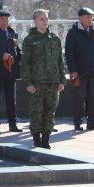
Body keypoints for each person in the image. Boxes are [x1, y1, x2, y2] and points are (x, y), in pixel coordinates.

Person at [21, 9, 66, 149]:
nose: (45, 21)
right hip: (37, 84)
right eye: (41, 19)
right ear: (35, 21)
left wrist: (61, 80)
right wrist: (28, 83)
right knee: (36, 113)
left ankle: (46, 142)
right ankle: (36, 142)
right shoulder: (30, 40)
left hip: (53, 83)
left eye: (46, 18)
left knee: (49, 113)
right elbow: (25, 63)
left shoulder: (55, 38)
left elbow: (60, 61)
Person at [65, 7, 94, 131]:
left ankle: (91, 123)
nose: (90, 19)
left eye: (91, 17)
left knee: (93, 99)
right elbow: (69, 53)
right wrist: (73, 70)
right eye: (87, 17)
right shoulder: (73, 32)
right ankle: (77, 123)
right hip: (79, 72)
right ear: (80, 18)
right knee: (79, 99)